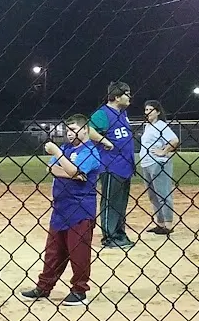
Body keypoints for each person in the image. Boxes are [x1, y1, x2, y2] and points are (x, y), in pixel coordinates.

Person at [21, 115, 101, 306]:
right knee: (53, 251)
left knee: (78, 252)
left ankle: (80, 291)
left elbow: (74, 171)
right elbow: (52, 169)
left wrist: (59, 155)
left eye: (73, 129)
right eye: (67, 130)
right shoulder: (67, 149)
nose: (69, 133)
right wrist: (72, 172)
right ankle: (44, 286)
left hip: (80, 209)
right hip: (60, 208)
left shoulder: (91, 151)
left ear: (84, 130)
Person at [89, 81, 135, 250]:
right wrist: (104, 141)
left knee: (121, 203)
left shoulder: (122, 113)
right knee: (110, 202)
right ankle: (110, 236)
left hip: (125, 165)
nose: (130, 97)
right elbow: (88, 129)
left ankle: (119, 233)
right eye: (127, 93)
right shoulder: (103, 113)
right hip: (110, 165)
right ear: (116, 97)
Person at [139, 100, 180, 234]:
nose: (148, 112)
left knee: (163, 194)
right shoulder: (148, 126)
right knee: (153, 196)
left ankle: (168, 225)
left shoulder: (161, 125)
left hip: (158, 163)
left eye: (151, 109)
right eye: (146, 110)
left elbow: (174, 140)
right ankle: (160, 223)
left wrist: (163, 152)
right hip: (146, 164)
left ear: (157, 112)